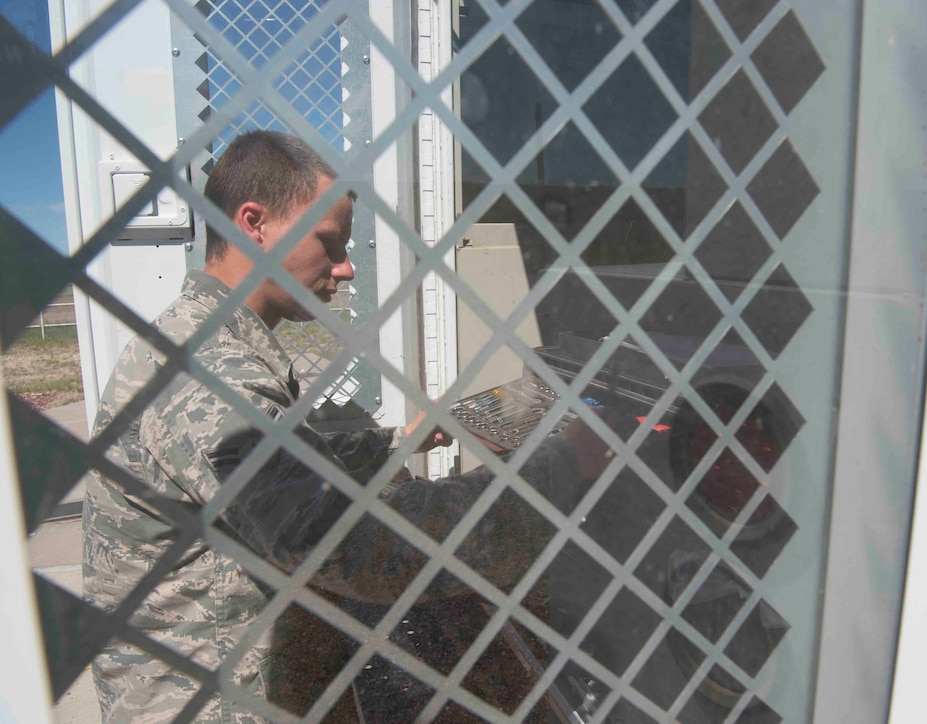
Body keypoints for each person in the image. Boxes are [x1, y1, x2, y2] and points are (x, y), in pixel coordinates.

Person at [82, 130, 611, 722]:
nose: (347, 269)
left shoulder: (206, 341)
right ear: (252, 223)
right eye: (330, 243)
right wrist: (564, 468)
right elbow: (349, 544)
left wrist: (392, 444)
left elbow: (281, 462)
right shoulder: (209, 371)